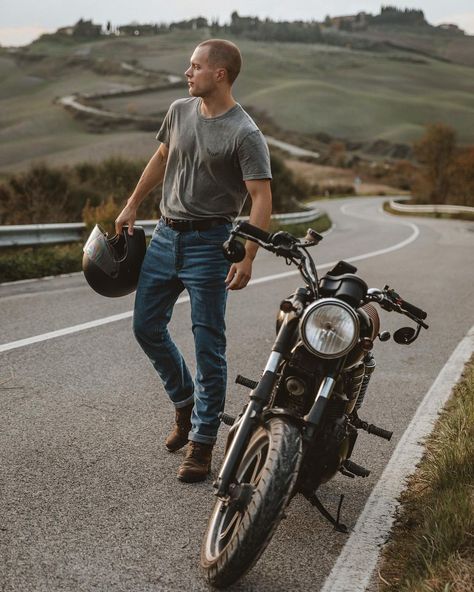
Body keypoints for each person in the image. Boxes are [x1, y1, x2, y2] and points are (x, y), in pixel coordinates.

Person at [115, 39, 272, 483]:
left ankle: (202, 443)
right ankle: (184, 402)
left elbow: (261, 198)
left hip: (211, 243)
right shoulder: (179, 111)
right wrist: (131, 204)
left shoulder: (245, 133)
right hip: (165, 237)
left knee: (209, 346)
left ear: (219, 74)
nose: (188, 72)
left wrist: (248, 253)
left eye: (196, 66)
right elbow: (162, 157)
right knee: (145, 326)